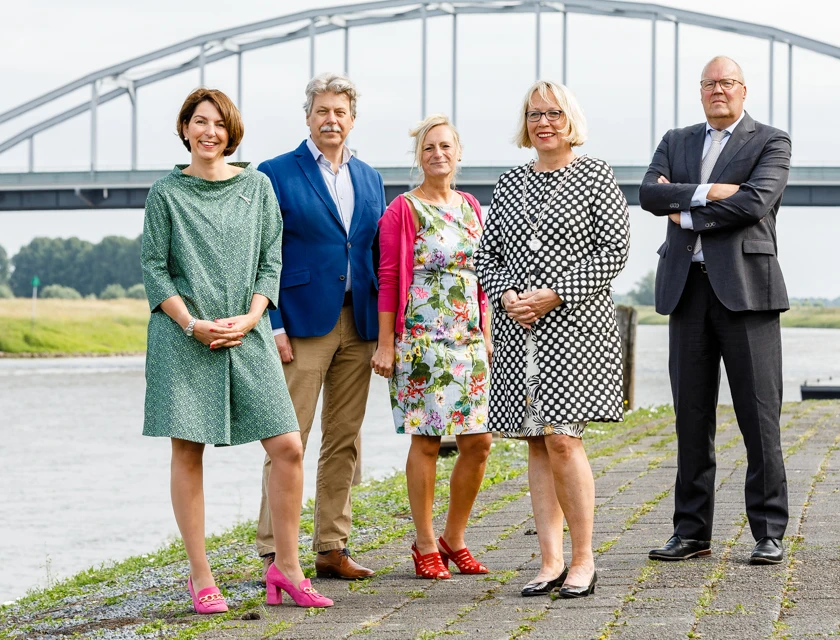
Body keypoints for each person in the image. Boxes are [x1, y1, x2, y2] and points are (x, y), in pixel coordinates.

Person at [141, 88, 332, 611]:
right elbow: (154, 268)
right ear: (184, 129)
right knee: (188, 451)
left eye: (218, 124)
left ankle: (287, 570)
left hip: (246, 331)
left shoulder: (258, 185)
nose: (209, 132)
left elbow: (271, 259)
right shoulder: (165, 193)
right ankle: (201, 576)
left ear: (231, 132)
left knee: (288, 445)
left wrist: (252, 318)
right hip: (185, 336)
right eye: (199, 122)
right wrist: (192, 324)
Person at [475, 80, 629, 598]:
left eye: (553, 113)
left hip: (576, 330)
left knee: (564, 439)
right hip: (522, 333)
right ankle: (549, 560)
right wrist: (507, 298)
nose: (544, 122)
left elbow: (613, 254)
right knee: (536, 442)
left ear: (571, 120)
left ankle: (584, 560)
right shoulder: (509, 183)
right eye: (534, 114)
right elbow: (486, 256)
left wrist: (554, 294)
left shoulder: (595, 175)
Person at [639, 56, 791, 565]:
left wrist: (682, 209)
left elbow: (754, 204)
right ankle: (692, 532)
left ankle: (768, 531)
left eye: (726, 82)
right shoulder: (676, 139)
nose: (717, 90)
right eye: (709, 84)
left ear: (743, 90)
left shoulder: (771, 141)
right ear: (700, 91)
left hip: (748, 293)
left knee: (758, 417)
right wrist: (706, 193)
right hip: (688, 290)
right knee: (691, 418)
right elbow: (646, 195)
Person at [255, 72, 385, 580]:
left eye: (341, 112)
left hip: (360, 321)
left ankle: (331, 546)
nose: (332, 120)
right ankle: (273, 551)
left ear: (352, 119)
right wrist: (274, 323)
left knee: (346, 438)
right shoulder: (274, 173)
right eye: (323, 111)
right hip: (302, 321)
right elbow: (260, 254)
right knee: (288, 438)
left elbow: (371, 249)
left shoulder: (370, 177)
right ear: (308, 116)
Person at [371, 114, 493, 580]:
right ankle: (423, 543)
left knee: (479, 441)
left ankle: (453, 538)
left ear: (458, 153)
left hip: (466, 338)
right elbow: (387, 278)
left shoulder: (471, 207)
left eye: (445, 146)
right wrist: (387, 344)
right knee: (425, 441)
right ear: (419, 158)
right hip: (421, 339)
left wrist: (485, 329)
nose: (437, 154)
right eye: (428, 148)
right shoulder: (402, 210)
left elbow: (480, 275)